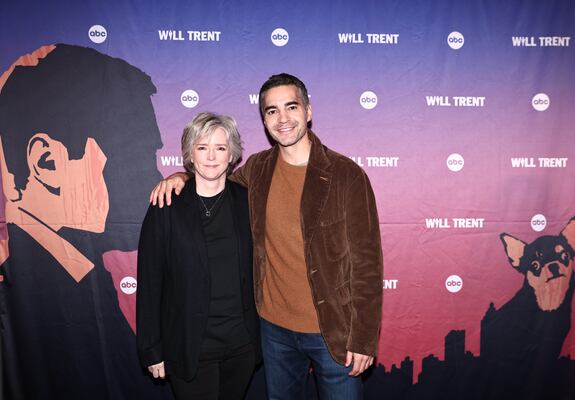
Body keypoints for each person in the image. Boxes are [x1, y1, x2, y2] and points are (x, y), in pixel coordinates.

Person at [151, 73, 383, 399]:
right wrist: (181, 176)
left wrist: (363, 337)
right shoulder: (257, 170)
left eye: (291, 107)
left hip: (333, 331)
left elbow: (367, 263)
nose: (282, 118)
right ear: (264, 120)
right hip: (273, 331)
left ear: (309, 111)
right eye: (272, 111)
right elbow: (213, 178)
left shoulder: (346, 175)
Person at [0, 44, 170, 399]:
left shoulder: (88, 273)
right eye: (133, 160)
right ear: (46, 161)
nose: (151, 179)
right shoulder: (27, 297)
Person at [137, 112, 261, 400]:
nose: (211, 157)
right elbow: (150, 282)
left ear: (232, 155)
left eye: (220, 148)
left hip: (240, 347)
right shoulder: (166, 205)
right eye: (202, 147)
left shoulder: (247, 202)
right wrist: (151, 348)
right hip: (189, 347)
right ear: (190, 154)